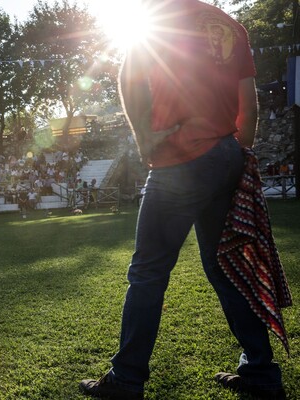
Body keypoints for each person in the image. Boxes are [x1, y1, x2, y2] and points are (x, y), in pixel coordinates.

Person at [79, 2, 286, 400]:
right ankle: (261, 372)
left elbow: (131, 78)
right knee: (224, 267)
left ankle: (126, 379)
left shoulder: (155, 18)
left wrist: (143, 138)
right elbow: (250, 102)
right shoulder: (230, 26)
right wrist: (233, 152)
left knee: (148, 272)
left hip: (181, 158)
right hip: (226, 151)